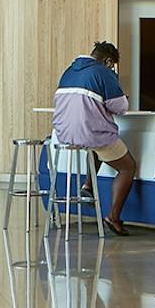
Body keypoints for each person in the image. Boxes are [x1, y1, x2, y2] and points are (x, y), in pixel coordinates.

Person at [53, 40, 135, 236]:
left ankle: (88, 185)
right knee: (127, 167)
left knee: (96, 146)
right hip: (89, 133)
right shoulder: (104, 72)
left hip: (63, 135)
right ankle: (113, 217)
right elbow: (121, 108)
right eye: (113, 65)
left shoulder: (69, 71)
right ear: (108, 61)